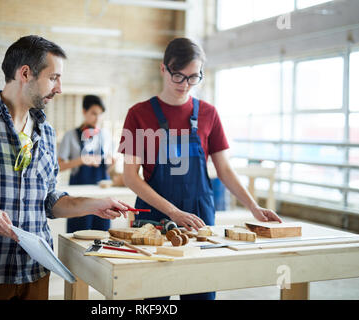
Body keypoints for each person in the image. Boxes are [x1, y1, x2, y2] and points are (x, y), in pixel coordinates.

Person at [0, 35, 131, 300]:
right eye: (54, 78)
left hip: (36, 274)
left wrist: (91, 204)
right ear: (26, 73)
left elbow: (49, 200)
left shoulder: (47, 132)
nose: (60, 88)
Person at [118, 37, 282, 300]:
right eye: (178, 76)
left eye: (194, 77)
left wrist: (254, 207)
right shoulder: (137, 114)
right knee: (154, 295)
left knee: (201, 291)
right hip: (154, 219)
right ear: (163, 69)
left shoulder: (209, 114)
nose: (185, 85)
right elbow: (129, 176)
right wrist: (173, 212)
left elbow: (225, 170)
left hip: (200, 217)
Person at [58, 95, 114, 233]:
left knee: (102, 237)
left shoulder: (106, 136)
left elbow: (109, 170)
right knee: (77, 236)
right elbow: (58, 166)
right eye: (94, 113)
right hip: (78, 198)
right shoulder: (70, 136)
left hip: (102, 197)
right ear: (84, 112)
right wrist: (81, 160)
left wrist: (112, 163)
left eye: (100, 114)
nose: (98, 118)